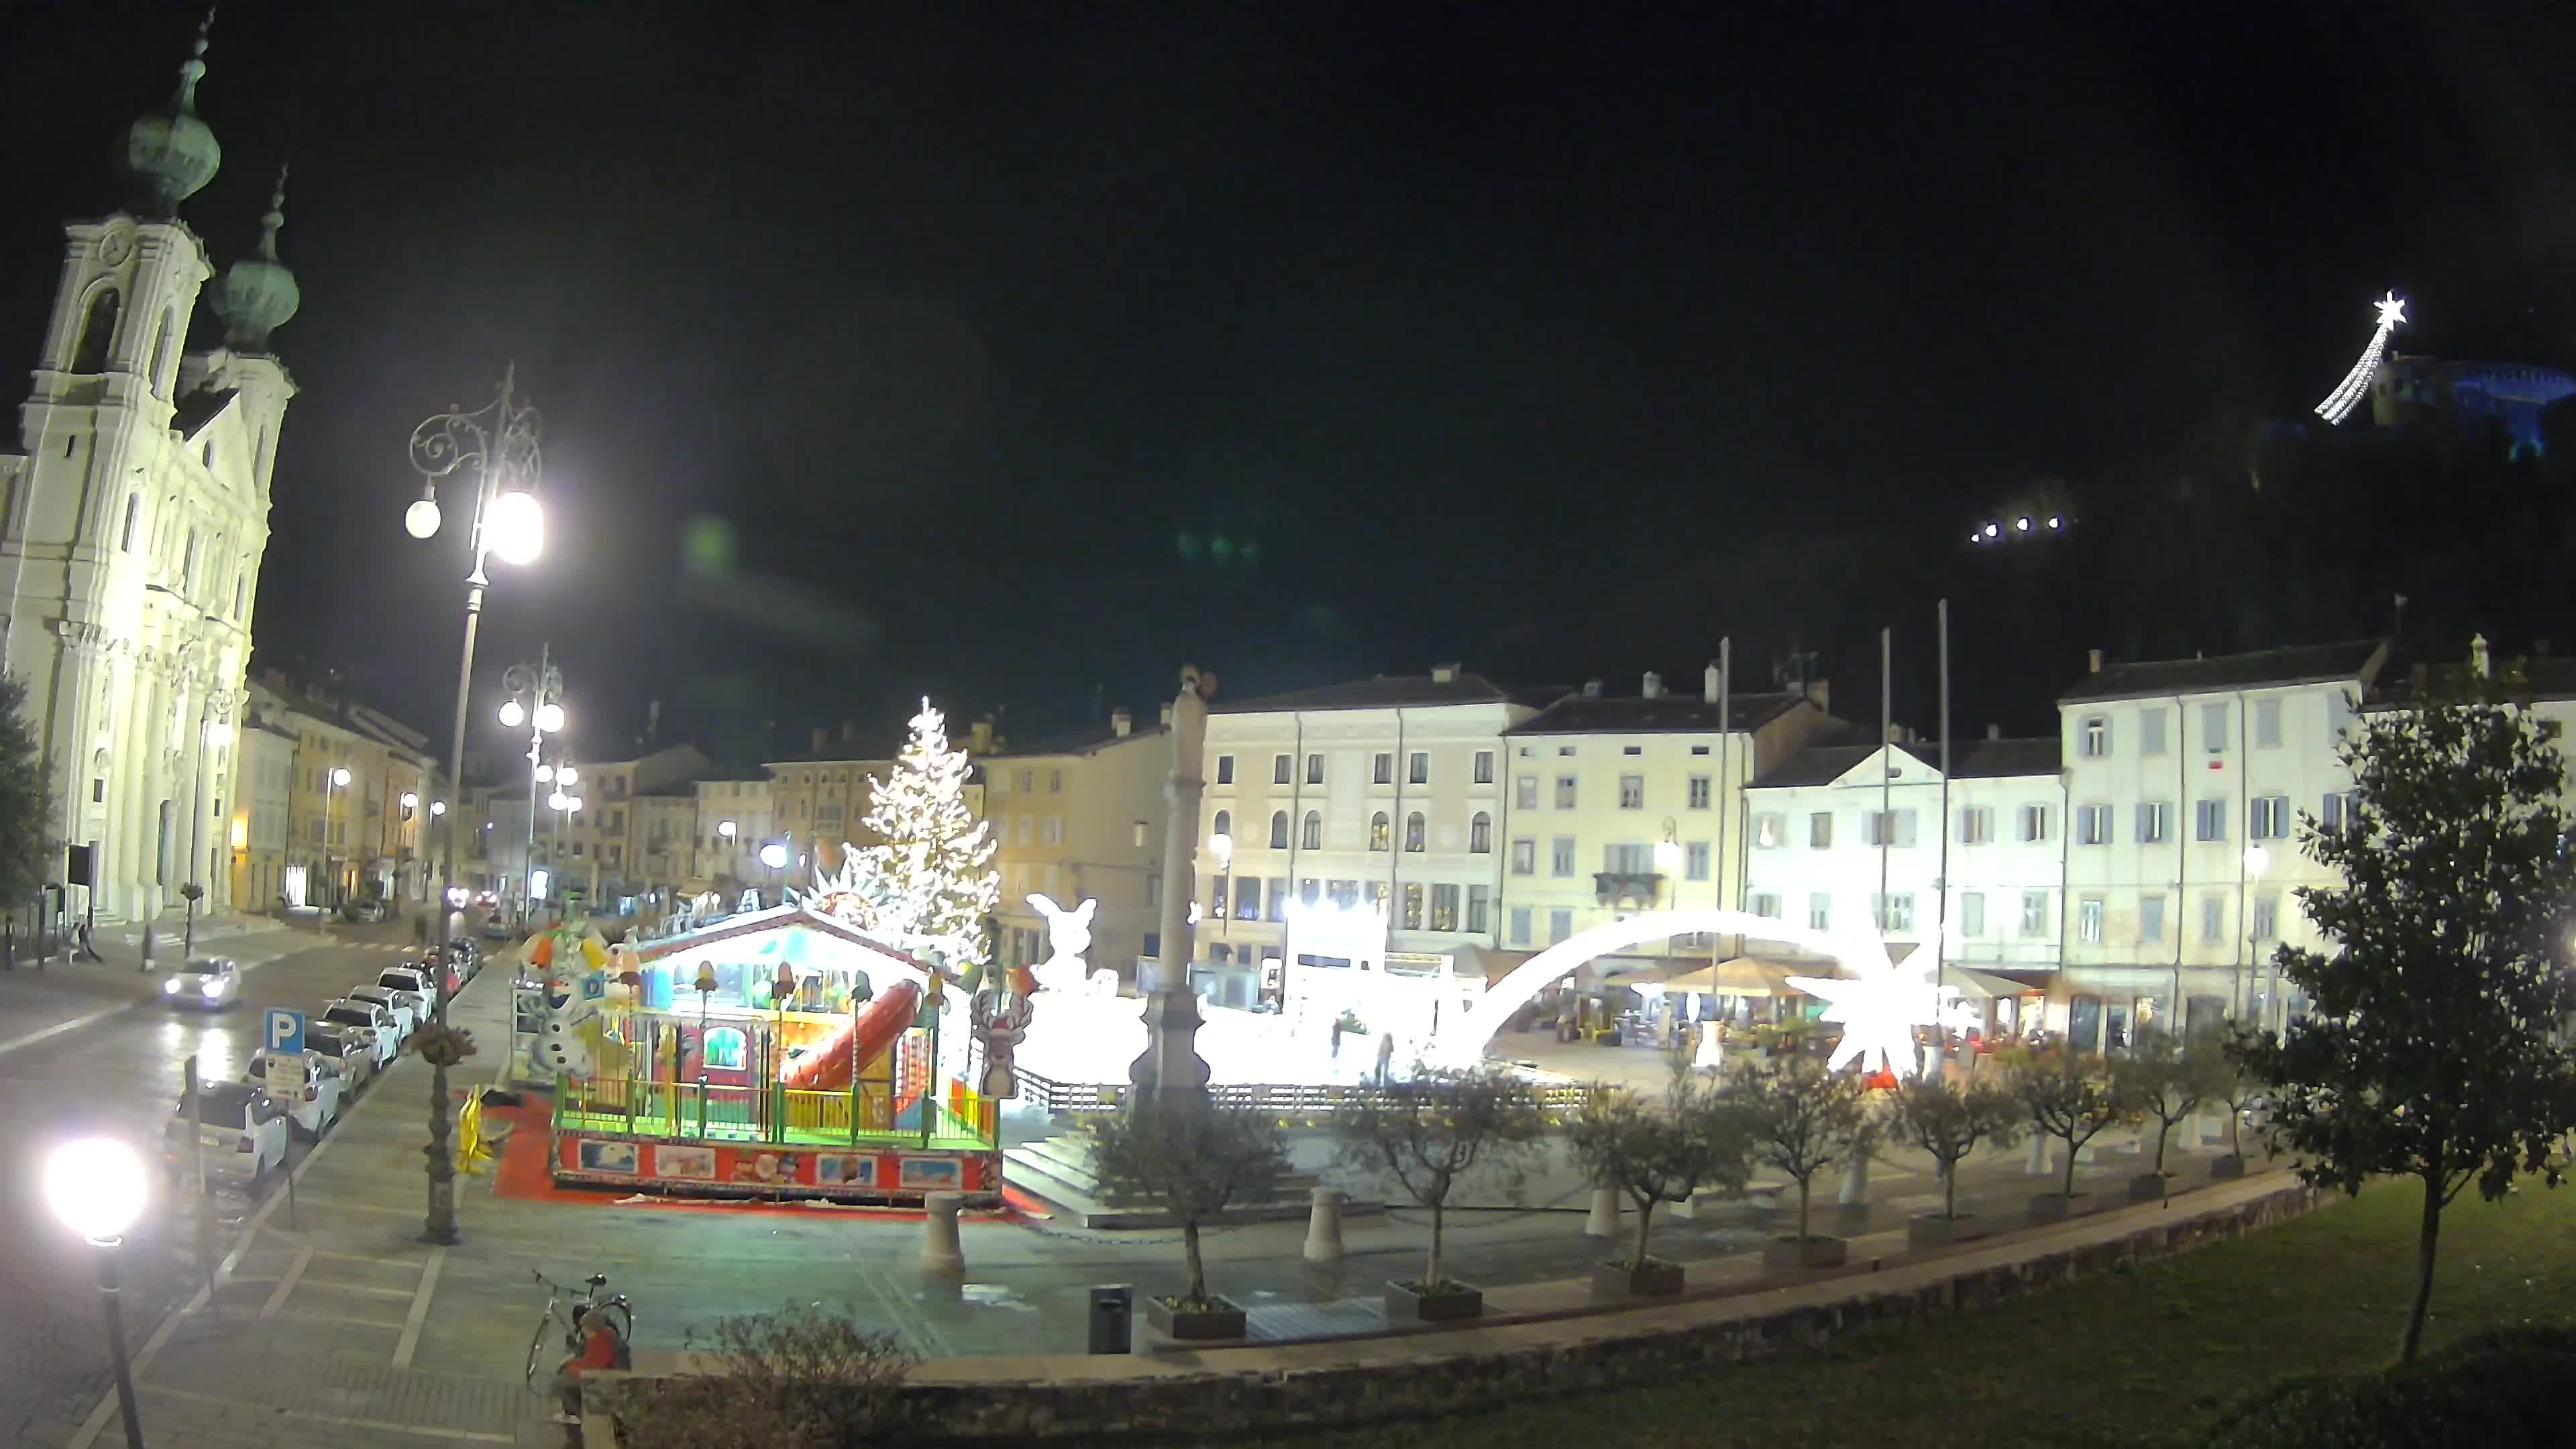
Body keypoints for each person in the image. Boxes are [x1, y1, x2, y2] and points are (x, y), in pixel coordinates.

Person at [550, 1304, 629, 1423]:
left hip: (606, 1379)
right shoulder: (598, 1337)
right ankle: (573, 1412)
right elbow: (588, 1358)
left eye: (584, 1328)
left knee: (560, 1383)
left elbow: (596, 1365)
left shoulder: (603, 1342)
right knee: (564, 1374)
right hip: (602, 1375)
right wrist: (571, 1363)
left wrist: (574, 1368)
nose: (582, 1331)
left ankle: (581, 1415)